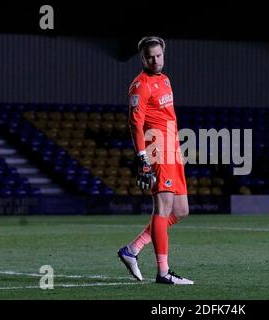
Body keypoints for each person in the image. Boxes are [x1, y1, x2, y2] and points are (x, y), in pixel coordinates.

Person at [117, 36, 193, 285]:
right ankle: (163, 272)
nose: (155, 60)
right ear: (143, 58)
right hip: (157, 149)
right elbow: (134, 124)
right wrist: (143, 158)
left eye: (159, 55)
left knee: (181, 211)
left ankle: (132, 250)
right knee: (162, 209)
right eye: (150, 56)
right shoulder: (140, 86)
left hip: (172, 149)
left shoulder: (165, 79)